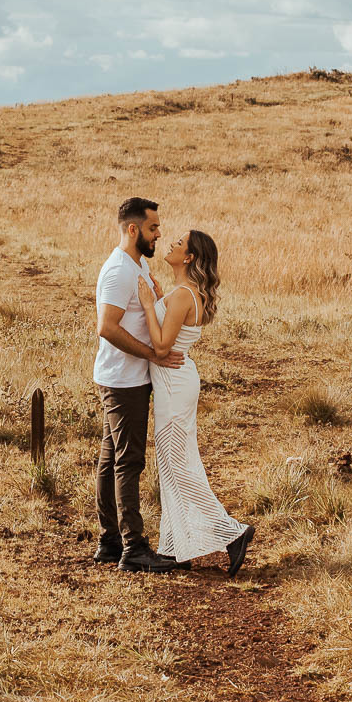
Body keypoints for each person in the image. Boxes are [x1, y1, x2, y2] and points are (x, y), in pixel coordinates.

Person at [137, 229, 254, 577]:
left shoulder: (183, 296)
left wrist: (149, 305)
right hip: (177, 382)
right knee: (173, 465)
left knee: (176, 467)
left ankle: (232, 533)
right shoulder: (184, 293)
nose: (171, 243)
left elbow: (161, 347)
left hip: (174, 386)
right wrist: (160, 300)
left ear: (188, 257)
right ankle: (176, 548)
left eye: (179, 243)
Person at [94, 197, 184, 573]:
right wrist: (152, 354)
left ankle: (110, 541)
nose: (158, 234)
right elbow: (107, 327)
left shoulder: (138, 265)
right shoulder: (119, 271)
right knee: (129, 461)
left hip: (126, 378)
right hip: (124, 381)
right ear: (133, 230)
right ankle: (133, 547)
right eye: (152, 228)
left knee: (111, 459)